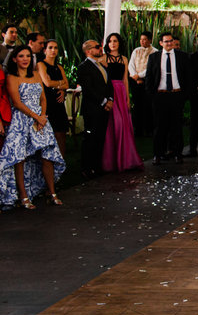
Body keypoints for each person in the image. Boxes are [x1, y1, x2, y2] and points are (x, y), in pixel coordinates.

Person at [0, 45, 65, 208]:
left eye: (28, 56)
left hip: (40, 119)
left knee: (47, 155)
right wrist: (36, 117)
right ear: (14, 59)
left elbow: (43, 98)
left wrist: (42, 116)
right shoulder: (11, 77)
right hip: (21, 120)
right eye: (21, 56)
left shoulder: (36, 75)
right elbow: (17, 102)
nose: (25, 59)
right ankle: (23, 197)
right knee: (19, 158)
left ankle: (51, 193)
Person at [145, 32, 190, 164]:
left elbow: (188, 76)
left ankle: (177, 154)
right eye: (166, 41)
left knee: (176, 126)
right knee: (160, 127)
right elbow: (149, 77)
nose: (169, 43)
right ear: (161, 43)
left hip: (177, 95)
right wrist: (152, 95)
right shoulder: (154, 57)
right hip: (160, 96)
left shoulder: (182, 56)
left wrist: (184, 95)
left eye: (171, 41)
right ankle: (158, 155)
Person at [100, 33, 142, 172]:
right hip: (109, 90)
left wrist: (127, 98)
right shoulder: (104, 58)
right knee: (113, 125)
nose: (112, 43)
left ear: (119, 43)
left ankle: (125, 159)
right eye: (110, 41)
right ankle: (110, 161)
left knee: (123, 125)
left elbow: (125, 79)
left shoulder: (124, 59)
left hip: (120, 91)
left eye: (115, 41)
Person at [77, 40, 113, 178]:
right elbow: (88, 89)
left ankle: (97, 166)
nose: (100, 49)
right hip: (92, 108)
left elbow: (108, 84)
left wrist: (110, 99)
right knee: (90, 138)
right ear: (88, 51)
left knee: (100, 138)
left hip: (104, 108)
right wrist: (104, 101)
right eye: (97, 47)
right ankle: (87, 167)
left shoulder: (102, 66)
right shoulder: (83, 67)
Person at [36, 40, 70, 161]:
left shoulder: (59, 67)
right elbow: (47, 83)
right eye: (50, 48)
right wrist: (60, 84)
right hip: (47, 101)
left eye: (55, 48)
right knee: (50, 133)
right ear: (45, 50)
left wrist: (59, 87)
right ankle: (49, 161)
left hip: (59, 102)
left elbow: (67, 84)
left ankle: (61, 161)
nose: (53, 50)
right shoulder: (41, 64)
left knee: (61, 133)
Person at [128, 31, 156, 137]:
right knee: (137, 106)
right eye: (141, 39)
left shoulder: (155, 52)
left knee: (148, 106)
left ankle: (149, 129)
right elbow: (131, 64)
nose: (142, 41)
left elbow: (150, 67)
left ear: (150, 40)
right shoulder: (136, 50)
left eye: (144, 39)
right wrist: (134, 76)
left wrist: (140, 76)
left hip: (147, 82)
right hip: (135, 81)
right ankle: (137, 129)